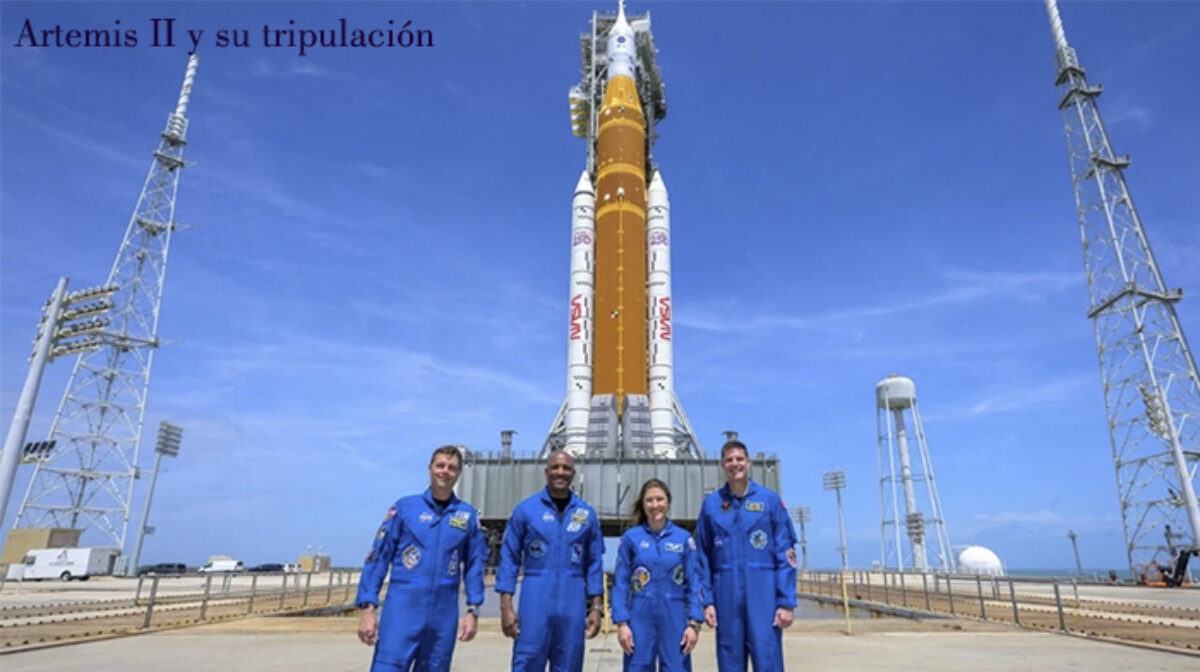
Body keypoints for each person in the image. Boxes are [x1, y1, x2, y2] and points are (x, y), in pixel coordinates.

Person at [355, 445, 486, 672]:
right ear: (430, 468)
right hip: (402, 611)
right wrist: (367, 608)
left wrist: (473, 610)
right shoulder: (405, 508)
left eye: (452, 468)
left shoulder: (467, 516)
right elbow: (378, 558)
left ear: (459, 473)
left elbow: (475, 566)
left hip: (443, 617)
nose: (445, 471)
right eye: (440, 466)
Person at [496, 450, 604, 672]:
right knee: (527, 662)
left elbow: (594, 564)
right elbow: (509, 559)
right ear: (546, 472)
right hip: (535, 599)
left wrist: (596, 608)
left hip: (572, 601)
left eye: (566, 468)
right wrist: (506, 607)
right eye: (555, 467)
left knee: (570, 662)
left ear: (573, 473)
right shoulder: (526, 510)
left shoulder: (586, 514)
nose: (560, 472)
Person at [695, 439, 798, 672]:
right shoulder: (711, 505)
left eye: (739, 459)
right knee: (729, 659)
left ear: (748, 462)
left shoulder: (769, 500)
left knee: (768, 657)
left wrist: (786, 602)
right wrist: (707, 601)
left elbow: (786, 553)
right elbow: (701, 557)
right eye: (729, 460)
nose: (735, 464)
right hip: (726, 596)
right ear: (722, 465)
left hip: (763, 595)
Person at [612, 478, 707, 672]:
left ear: (668, 502)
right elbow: (621, 582)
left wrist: (694, 624)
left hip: (674, 617)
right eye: (649, 500)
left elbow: (694, 582)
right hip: (640, 618)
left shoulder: (683, 539)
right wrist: (622, 623)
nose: (655, 505)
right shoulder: (631, 538)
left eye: (659, 499)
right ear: (643, 504)